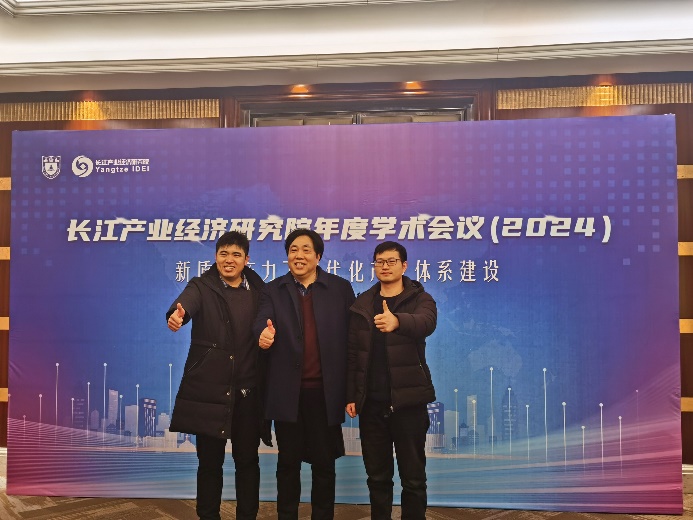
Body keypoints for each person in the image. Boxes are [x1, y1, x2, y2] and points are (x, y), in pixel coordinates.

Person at [166, 230, 270, 520]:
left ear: (246, 259)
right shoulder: (201, 286)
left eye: (236, 254)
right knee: (209, 464)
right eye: (223, 253)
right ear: (215, 256)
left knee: (247, 462)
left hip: (248, 394)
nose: (229, 259)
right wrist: (177, 316)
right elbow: (184, 305)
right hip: (211, 393)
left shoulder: (261, 290)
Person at [255, 228, 356, 520]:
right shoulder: (273, 290)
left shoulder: (340, 289)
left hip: (325, 393)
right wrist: (263, 334)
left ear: (318, 256)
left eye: (305, 250)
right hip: (288, 394)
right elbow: (261, 320)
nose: (298, 255)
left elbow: (353, 341)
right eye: (293, 250)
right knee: (288, 464)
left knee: (324, 464)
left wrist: (351, 392)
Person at [346, 241, 437, 520]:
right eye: (379, 261)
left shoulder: (420, 299)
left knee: (413, 479)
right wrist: (351, 394)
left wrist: (397, 321)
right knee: (377, 478)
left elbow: (426, 323)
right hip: (372, 405)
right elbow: (353, 354)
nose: (385, 266)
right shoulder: (362, 304)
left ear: (404, 266)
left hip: (408, 404)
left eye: (391, 261)